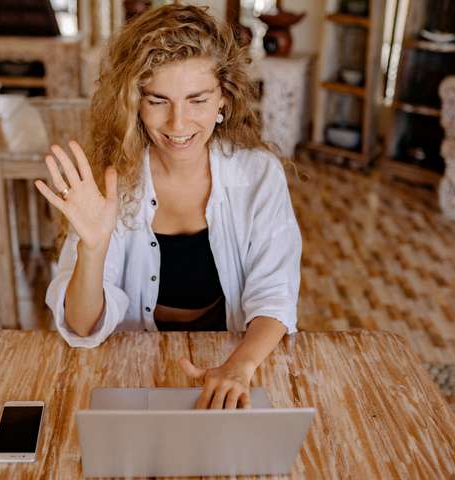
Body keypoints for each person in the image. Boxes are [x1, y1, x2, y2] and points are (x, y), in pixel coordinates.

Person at [35, 4, 302, 410]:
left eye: (197, 100)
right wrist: (92, 248)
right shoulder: (113, 180)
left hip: (233, 363)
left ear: (223, 101)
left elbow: (274, 295)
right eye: (158, 100)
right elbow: (81, 325)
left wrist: (238, 367)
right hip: (127, 373)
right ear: (135, 104)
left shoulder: (259, 175)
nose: (178, 124)